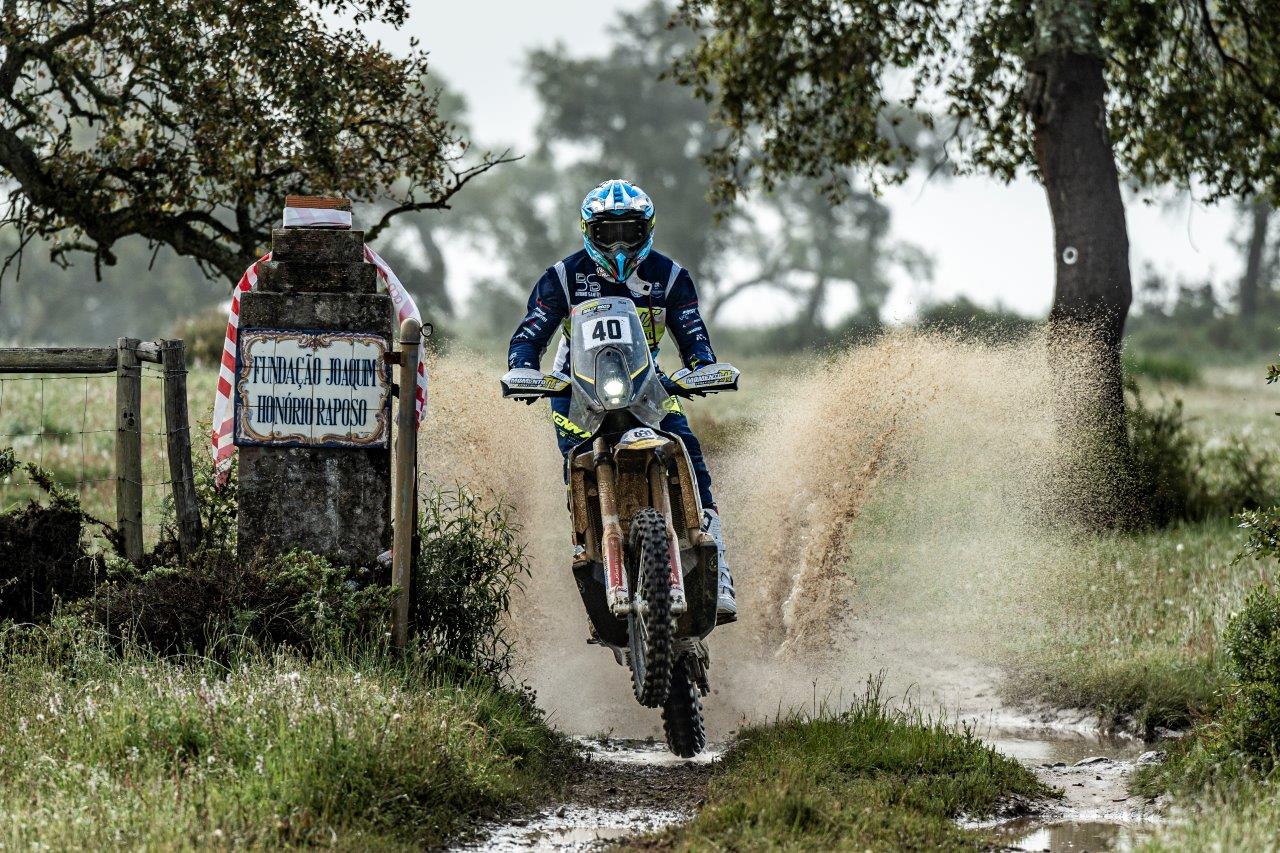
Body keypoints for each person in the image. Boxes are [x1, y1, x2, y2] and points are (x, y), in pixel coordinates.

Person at [505, 178, 736, 621]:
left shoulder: (669, 276)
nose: (619, 243)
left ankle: (717, 565)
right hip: (576, 392)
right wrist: (522, 369)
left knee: (692, 456)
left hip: (647, 388)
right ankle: (589, 550)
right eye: (607, 233)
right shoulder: (563, 277)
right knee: (577, 467)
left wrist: (702, 367)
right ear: (588, 231)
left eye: (629, 230)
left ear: (646, 229)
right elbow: (531, 332)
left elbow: (692, 335)